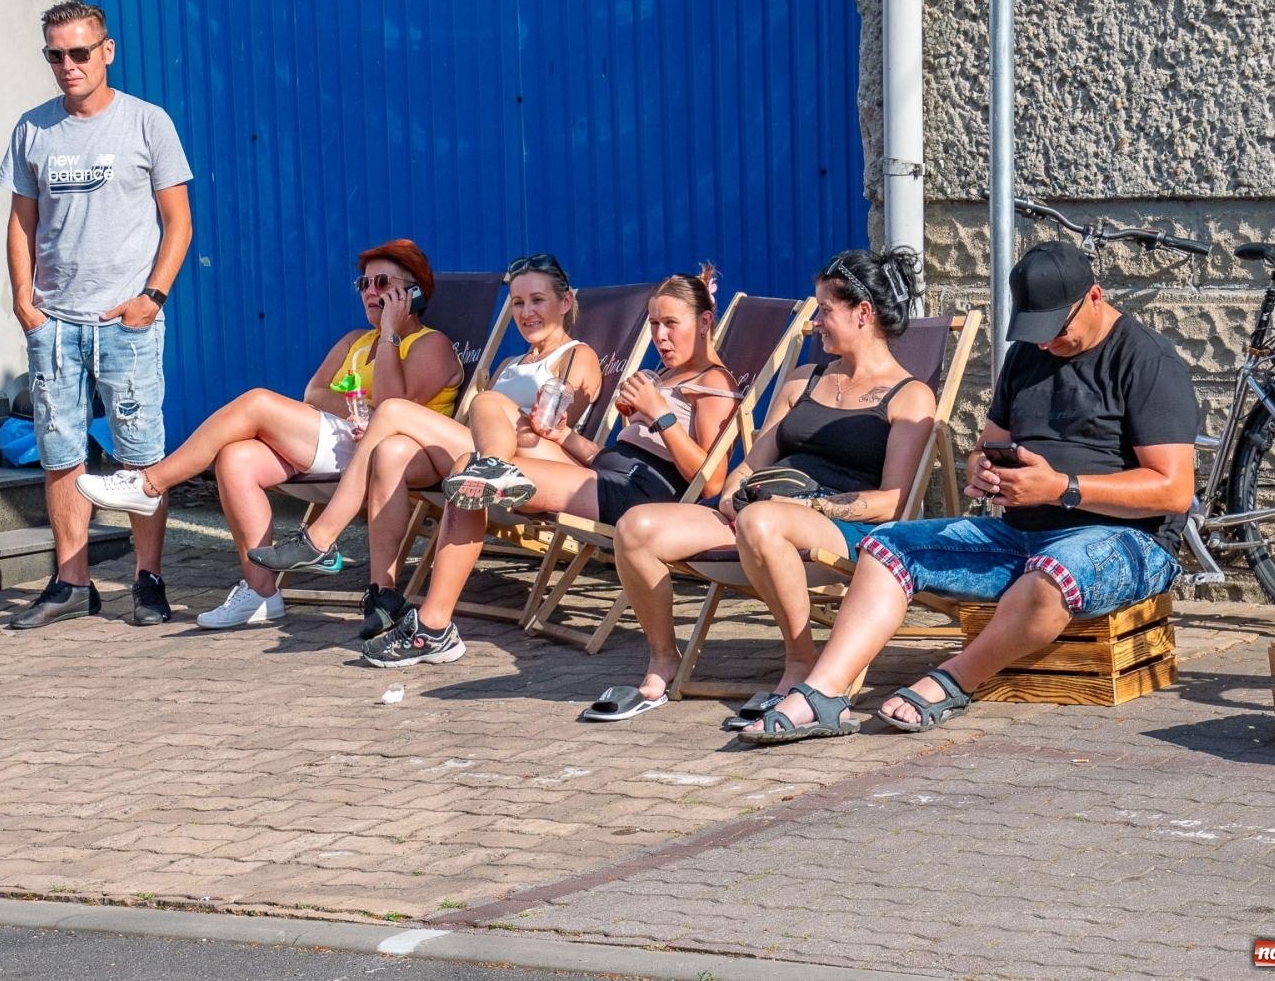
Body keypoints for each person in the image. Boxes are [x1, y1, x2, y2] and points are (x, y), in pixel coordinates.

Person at [739, 241, 1197, 745]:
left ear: (1094, 297)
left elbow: (1173, 490)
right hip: (1019, 533)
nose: (1046, 344)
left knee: (1051, 576)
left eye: (1057, 331)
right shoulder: (1028, 355)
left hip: (1125, 541)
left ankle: (951, 681)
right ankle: (823, 693)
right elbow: (988, 445)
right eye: (1035, 333)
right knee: (887, 545)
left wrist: (1063, 489)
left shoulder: (1148, 362)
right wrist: (984, 470)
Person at [588, 249, 935, 722]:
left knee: (763, 521)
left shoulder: (909, 395)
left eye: (825, 312)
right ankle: (663, 660)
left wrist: (814, 506)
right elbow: (751, 465)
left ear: (863, 314)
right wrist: (734, 494)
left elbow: (893, 501)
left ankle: (800, 663)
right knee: (636, 526)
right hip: (761, 512)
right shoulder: (802, 381)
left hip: (840, 529)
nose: (816, 323)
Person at [350, 268, 741, 668]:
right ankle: (439, 619)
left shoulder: (714, 384)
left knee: (474, 473)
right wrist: (564, 434)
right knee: (474, 453)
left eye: (671, 324)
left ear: (705, 321)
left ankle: (432, 628)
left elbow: (710, 479)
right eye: (655, 324)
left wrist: (660, 415)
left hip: (639, 495)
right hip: (605, 473)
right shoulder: (665, 375)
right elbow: (603, 455)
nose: (660, 336)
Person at [75, 239, 463, 628]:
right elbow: (314, 392)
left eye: (382, 283)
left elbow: (393, 404)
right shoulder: (354, 341)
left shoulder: (431, 344)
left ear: (411, 294)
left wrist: (391, 335)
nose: (370, 292)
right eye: (363, 284)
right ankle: (261, 593)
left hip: (403, 455)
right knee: (236, 458)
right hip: (345, 440)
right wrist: (359, 410)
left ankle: (150, 485)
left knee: (258, 402)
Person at [246, 254, 603, 639]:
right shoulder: (508, 364)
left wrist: (492, 420)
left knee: (395, 409)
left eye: (537, 301)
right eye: (518, 303)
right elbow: (472, 429)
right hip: (480, 459)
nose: (526, 312)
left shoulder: (577, 357)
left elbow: (549, 430)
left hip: (531, 465)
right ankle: (383, 595)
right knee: (390, 450)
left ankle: (321, 536)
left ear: (564, 303)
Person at [0, 1, 193, 630]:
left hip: (126, 322)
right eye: (55, 54)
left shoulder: (147, 123)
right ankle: (71, 582)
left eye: (79, 52)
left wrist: (152, 298)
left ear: (106, 51)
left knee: (140, 457)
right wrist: (25, 303)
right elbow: (21, 224)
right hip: (55, 325)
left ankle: (147, 578)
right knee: (60, 454)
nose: (68, 66)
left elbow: (179, 223)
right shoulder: (34, 129)